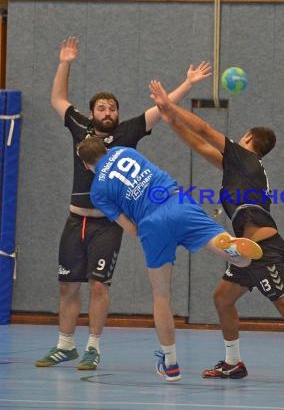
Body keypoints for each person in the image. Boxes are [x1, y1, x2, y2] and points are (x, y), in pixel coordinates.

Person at [148, 79, 284, 387]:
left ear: (248, 138)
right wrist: (170, 119)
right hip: (244, 250)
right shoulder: (239, 166)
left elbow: (203, 131)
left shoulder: (244, 157)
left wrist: (171, 106)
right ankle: (233, 362)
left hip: (263, 249)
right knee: (223, 299)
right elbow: (197, 144)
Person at [36, 36, 212, 370]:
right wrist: (65, 62)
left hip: (107, 222)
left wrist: (187, 83)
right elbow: (58, 98)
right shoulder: (79, 128)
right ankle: (65, 345)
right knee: (66, 284)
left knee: (98, 285)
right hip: (76, 220)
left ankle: (93, 347)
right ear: (91, 113)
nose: (107, 112)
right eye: (101, 108)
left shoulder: (128, 132)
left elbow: (161, 110)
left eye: (112, 108)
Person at [76, 136, 263, 381]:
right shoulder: (124, 150)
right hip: (177, 201)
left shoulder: (98, 192)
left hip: (151, 224)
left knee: (161, 295)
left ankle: (171, 364)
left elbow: (130, 228)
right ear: (107, 148)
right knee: (226, 247)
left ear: (86, 165)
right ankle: (232, 250)